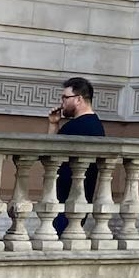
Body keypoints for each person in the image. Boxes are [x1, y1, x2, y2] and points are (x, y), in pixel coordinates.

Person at [49, 76, 105, 234]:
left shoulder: (74, 127)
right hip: (81, 198)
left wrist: (53, 126)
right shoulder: (97, 125)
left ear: (78, 99)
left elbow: (48, 154)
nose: (62, 102)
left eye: (65, 97)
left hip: (66, 200)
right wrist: (55, 123)